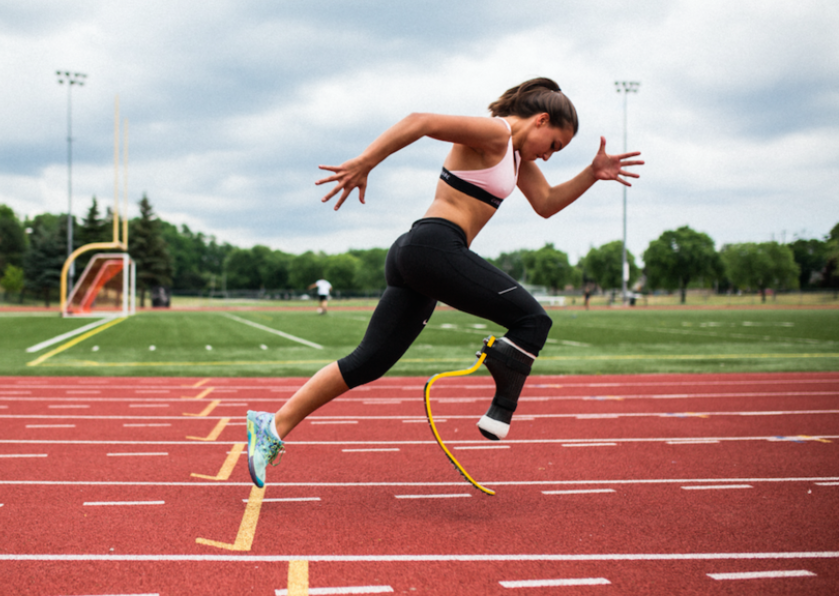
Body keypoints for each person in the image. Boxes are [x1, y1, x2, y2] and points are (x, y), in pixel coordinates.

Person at [247, 77, 643, 488]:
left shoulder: (516, 158)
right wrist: (366, 162)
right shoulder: (496, 133)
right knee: (533, 321)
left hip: (419, 255)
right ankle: (501, 406)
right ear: (541, 120)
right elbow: (420, 121)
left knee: (368, 362)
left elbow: (545, 205)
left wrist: (593, 174)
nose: (548, 155)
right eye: (554, 144)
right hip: (434, 247)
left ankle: (271, 426)